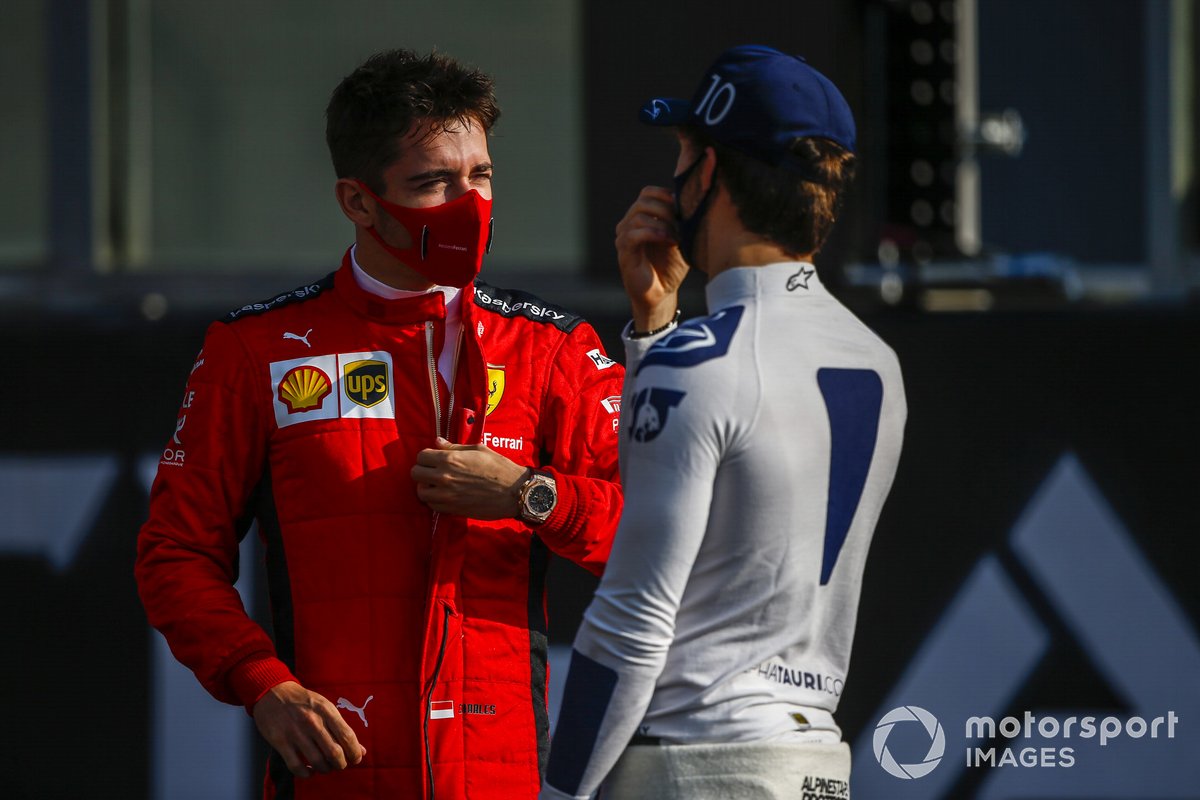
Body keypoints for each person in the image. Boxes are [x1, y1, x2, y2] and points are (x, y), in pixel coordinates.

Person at [136, 49, 624, 800]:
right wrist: (261, 682)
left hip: (502, 776)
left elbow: (658, 537)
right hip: (336, 774)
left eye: (482, 175)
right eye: (434, 183)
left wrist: (533, 495)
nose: (471, 203)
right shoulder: (255, 350)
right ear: (358, 202)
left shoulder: (551, 348)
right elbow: (174, 553)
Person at [542, 45, 907, 799]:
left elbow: (631, 619)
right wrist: (654, 328)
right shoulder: (878, 360)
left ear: (710, 174)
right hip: (811, 765)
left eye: (681, 154)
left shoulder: (703, 361)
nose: (669, 180)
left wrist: (560, 793)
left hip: (696, 763)